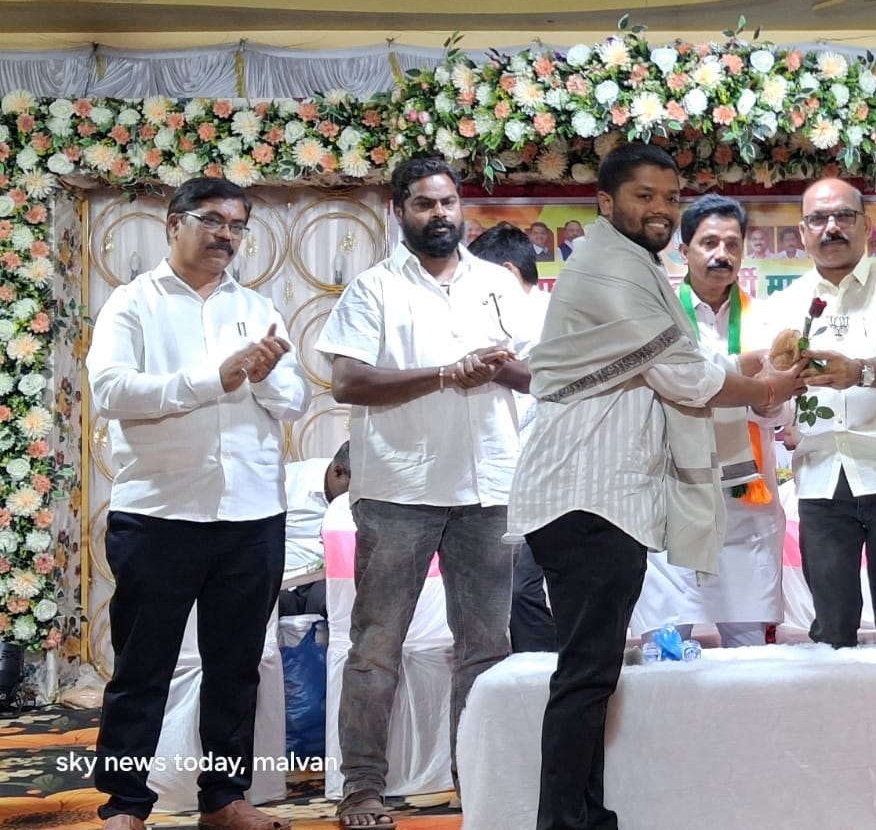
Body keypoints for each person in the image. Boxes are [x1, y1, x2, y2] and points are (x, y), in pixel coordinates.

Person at [508, 143, 804, 830]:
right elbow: (684, 375)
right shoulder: (612, 266)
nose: (661, 209)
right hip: (586, 493)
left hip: (603, 496)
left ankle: (585, 816)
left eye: (670, 197)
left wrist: (750, 374)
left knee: (593, 671)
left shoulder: (633, 264)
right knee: (585, 674)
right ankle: (564, 822)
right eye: (644, 195)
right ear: (605, 202)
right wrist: (767, 388)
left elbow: (684, 363)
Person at [318, 155, 540, 829]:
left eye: (448, 202)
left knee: (486, 647)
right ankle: (362, 788)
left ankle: (476, 779)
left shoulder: (498, 284)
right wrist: (447, 374)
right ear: (399, 211)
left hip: (489, 488)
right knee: (376, 646)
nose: (440, 214)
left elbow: (540, 375)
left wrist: (496, 369)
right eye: (424, 203)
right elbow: (348, 382)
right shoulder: (373, 289)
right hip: (399, 490)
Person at [87, 177, 309, 830]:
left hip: (251, 515)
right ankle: (125, 804)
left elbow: (295, 399)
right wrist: (216, 377)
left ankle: (224, 798)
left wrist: (263, 378)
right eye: (212, 220)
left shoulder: (258, 307)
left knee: (236, 668)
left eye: (237, 226)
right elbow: (112, 391)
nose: (225, 236)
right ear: (174, 224)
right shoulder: (132, 304)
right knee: (142, 669)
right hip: (159, 514)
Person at [762, 178, 876, 647]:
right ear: (803, 232)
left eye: (844, 215)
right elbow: (770, 388)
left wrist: (858, 372)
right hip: (821, 481)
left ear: (866, 224)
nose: (832, 227)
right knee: (832, 631)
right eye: (818, 219)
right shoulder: (784, 302)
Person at [632, 194, 786, 646]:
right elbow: (665, 387)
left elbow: (781, 410)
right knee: (665, 647)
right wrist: (744, 371)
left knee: (748, 652)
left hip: (746, 499)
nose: (723, 254)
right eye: (709, 243)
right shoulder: (658, 317)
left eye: (733, 244)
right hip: (672, 496)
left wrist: (770, 399)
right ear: (684, 251)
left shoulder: (767, 319)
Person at [467, 224, 557, 654]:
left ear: (505, 273)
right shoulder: (494, 318)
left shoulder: (550, 316)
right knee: (508, 596)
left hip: (548, 481)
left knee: (523, 592)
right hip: (506, 482)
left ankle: (539, 676)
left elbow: (543, 384)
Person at [279, 442, 352, 617]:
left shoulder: (366, 500)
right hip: (286, 579)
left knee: (340, 601)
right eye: (353, 487)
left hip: (328, 580)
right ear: (337, 472)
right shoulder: (288, 482)